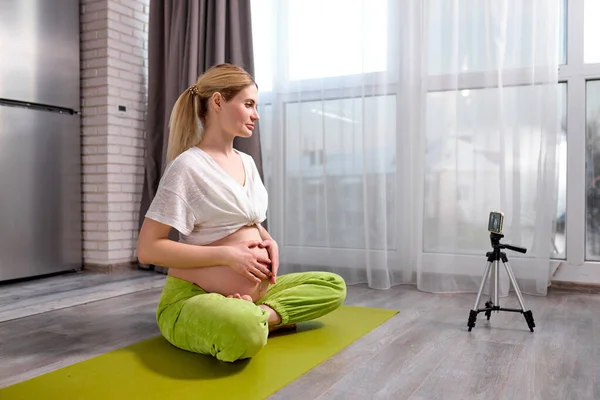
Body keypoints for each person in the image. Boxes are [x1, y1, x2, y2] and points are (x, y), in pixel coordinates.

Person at [136, 63, 347, 363]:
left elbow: (247, 219)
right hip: (194, 297)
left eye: (256, 106)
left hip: (259, 293)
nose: (256, 115)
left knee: (333, 286)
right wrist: (228, 256)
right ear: (219, 101)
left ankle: (260, 314)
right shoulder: (187, 167)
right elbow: (147, 249)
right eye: (248, 104)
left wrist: (267, 238)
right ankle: (253, 319)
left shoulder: (247, 162)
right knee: (243, 332)